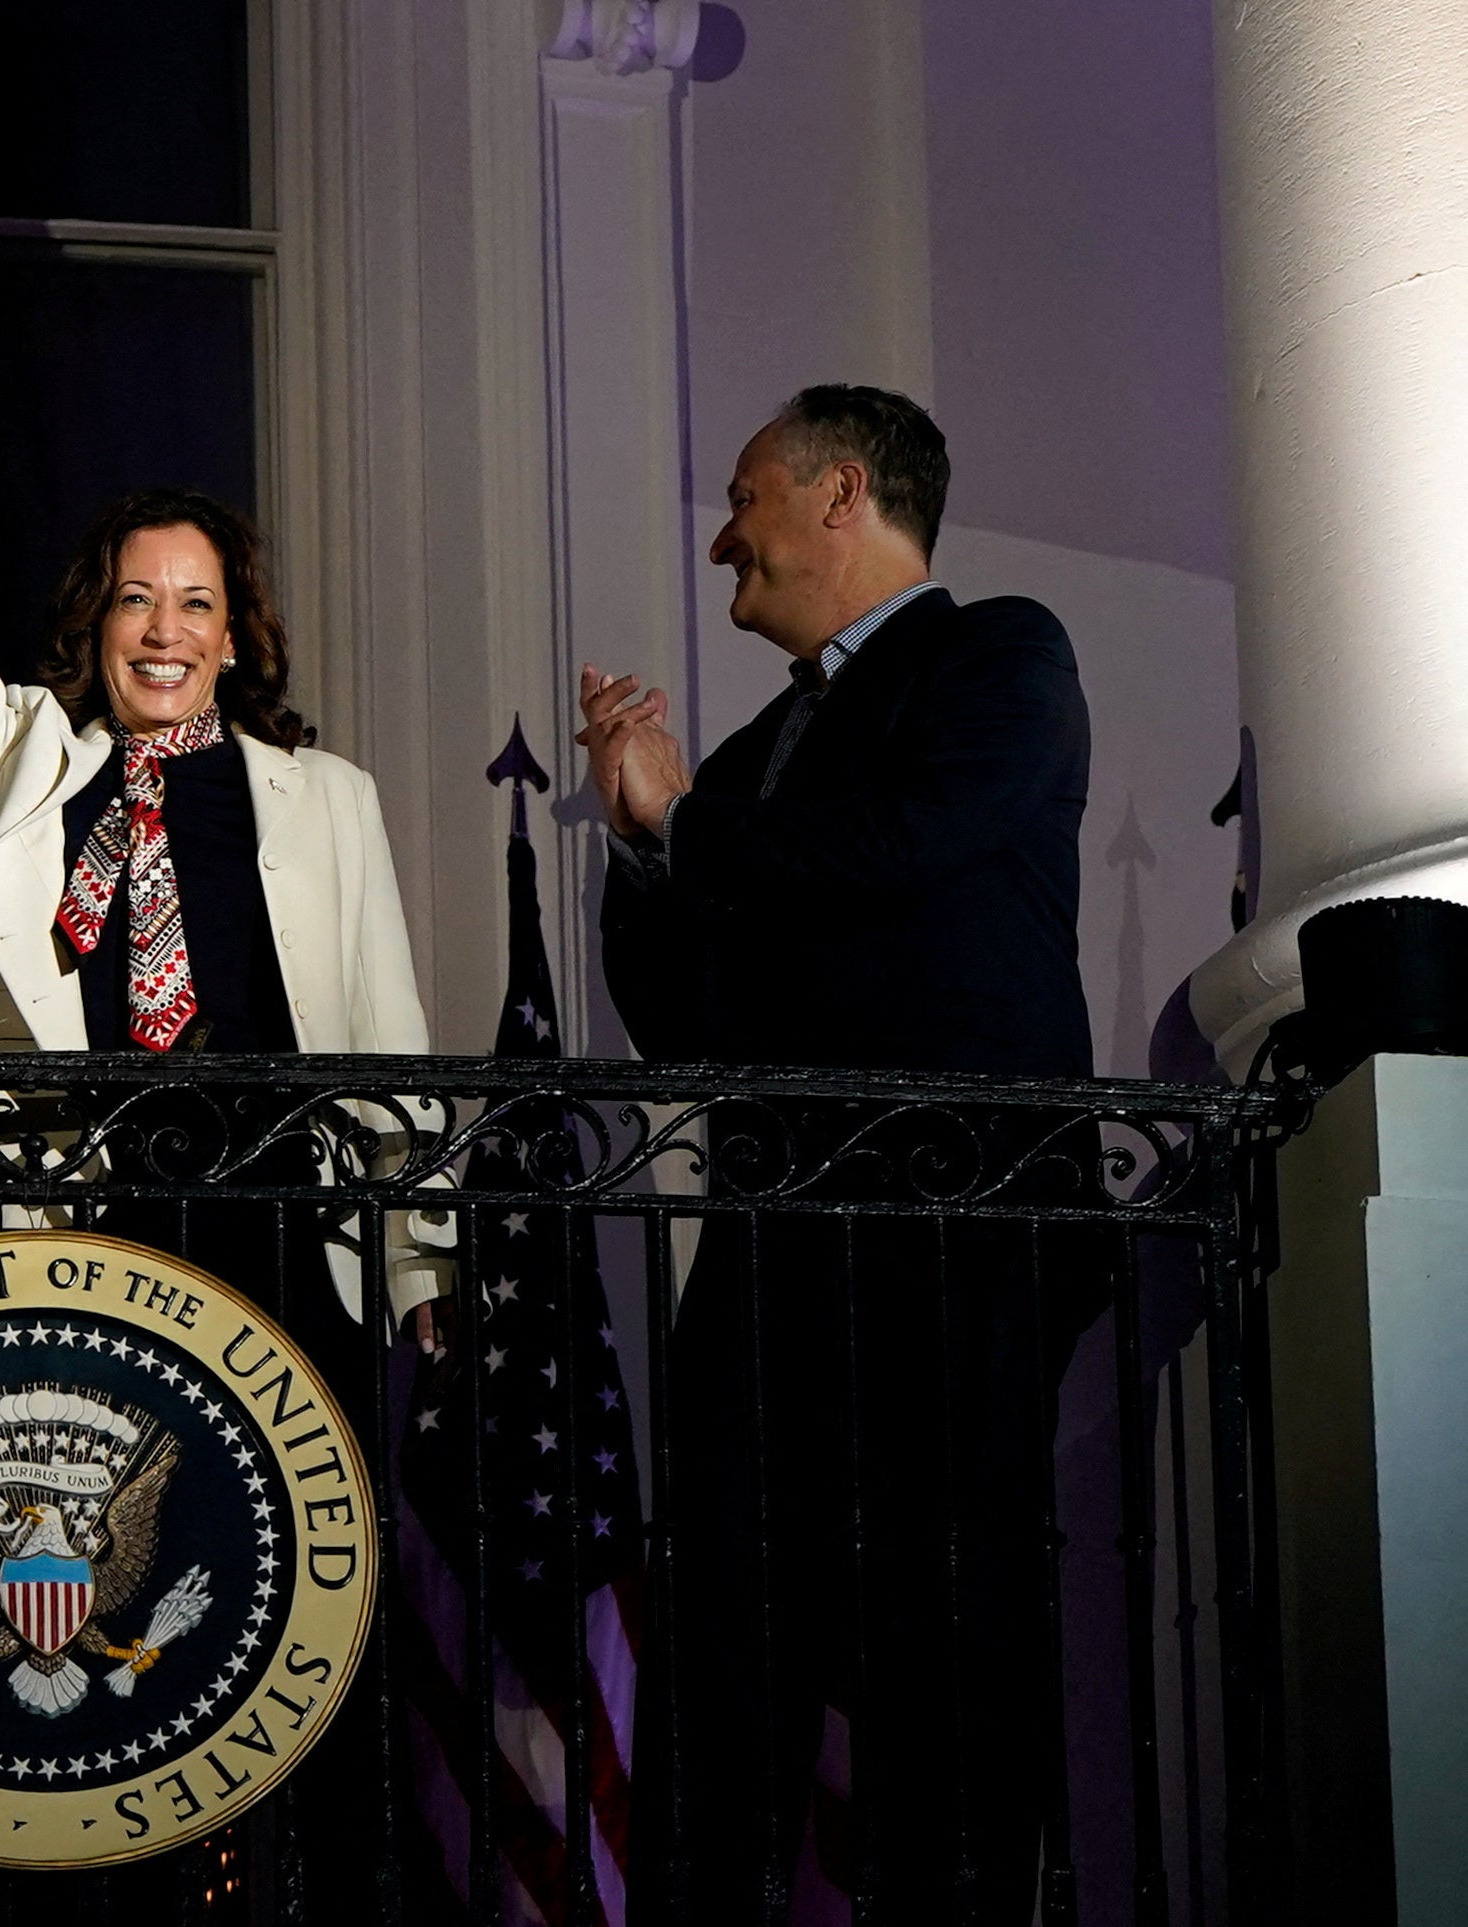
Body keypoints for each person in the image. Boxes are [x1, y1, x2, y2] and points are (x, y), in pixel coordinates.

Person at [577, 385, 1092, 1917]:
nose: (725, 533)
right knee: (726, 1642)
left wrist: (685, 824)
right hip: (770, 1245)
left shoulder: (998, 653)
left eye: (745, 495)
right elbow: (679, 1016)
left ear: (839, 494)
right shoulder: (743, 757)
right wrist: (634, 832)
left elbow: (901, 847)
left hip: (952, 1226)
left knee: (947, 1637)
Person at [0, 211, 449, 1329]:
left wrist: (418, 1265)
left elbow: (387, 1034)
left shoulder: (328, 797)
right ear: (97, 621)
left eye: (195, 604)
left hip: (278, 1227)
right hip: (69, 1230)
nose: (164, 630)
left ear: (231, 635)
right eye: (136, 598)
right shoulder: (27, 759)